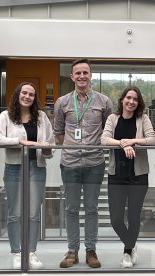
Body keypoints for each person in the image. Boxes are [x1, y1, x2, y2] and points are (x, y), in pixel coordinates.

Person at [0, 82, 55, 269]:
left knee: (34, 213)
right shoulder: (6, 116)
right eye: (24, 93)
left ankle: (31, 252)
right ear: (18, 94)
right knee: (15, 213)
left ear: (35, 98)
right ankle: (17, 253)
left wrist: (48, 149)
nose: (27, 96)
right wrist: (19, 141)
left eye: (31, 94)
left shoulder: (41, 116)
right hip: (14, 168)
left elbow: (50, 141)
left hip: (37, 167)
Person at [53, 58, 113, 268]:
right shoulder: (62, 102)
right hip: (69, 163)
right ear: (72, 76)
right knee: (70, 208)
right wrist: (73, 146)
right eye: (77, 73)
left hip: (94, 163)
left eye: (85, 72)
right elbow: (58, 132)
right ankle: (72, 251)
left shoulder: (104, 101)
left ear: (90, 75)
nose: (81, 76)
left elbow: (107, 132)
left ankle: (91, 250)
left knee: (91, 209)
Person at [100, 86, 155, 268]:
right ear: (122, 99)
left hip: (138, 175)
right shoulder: (112, 118)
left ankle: (126, 252)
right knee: (116, 219)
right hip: (116, 175)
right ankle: (131, 245)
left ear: (138, 103)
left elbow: (152, 139)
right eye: (128, 98)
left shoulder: (143, 118)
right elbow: (104, 139)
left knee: (133, 216)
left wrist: (133, 141)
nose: (131, 102)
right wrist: (122, 144)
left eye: (135, 99)